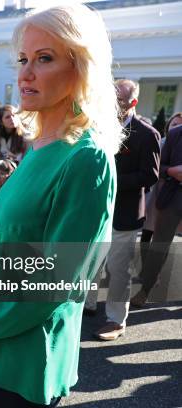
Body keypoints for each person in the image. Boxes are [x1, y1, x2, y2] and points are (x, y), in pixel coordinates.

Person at [0, 4, 122, 406]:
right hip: (1, 342)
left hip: (32, 355)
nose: (25, 73)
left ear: (81, 69)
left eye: (44, 59)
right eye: (23, 59)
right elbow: (6, 246)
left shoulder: (87, 158)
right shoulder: (39, 143)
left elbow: (58, 282)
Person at [88, 79, 160, 340]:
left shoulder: (147, 134)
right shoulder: (98, 128)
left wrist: (112, 180)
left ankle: (116, 321)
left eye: (118, 100)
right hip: (96, 210)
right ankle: (87, 304)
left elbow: (150, 176)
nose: (112, 105)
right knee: (91, 260)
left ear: (133, 103)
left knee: (119, 269)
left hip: (126, 213)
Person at [131, 117, 182, 307]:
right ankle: (145, 290)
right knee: (159, 247)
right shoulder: (175, 134)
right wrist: (172, 171)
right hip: (173, 196)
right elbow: (158, 167)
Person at [0, 104, 29, 170]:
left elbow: (27, 161)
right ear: (1, 121)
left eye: (14, 115)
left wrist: (14, 159)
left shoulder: (25, 136)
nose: (12, 119)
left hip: (17, 174)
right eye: (8, 117)